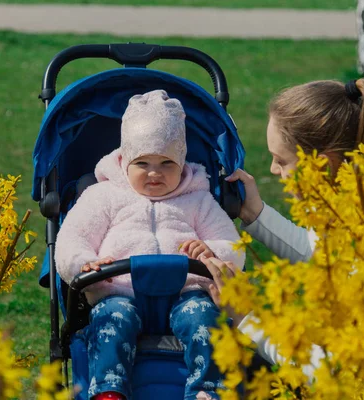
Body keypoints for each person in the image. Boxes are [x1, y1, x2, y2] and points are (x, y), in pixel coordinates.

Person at [200, 78, 364, 376]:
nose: (272, 169)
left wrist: (246, 317)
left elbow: (330, 371)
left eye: (281, 160)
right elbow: (325, 257)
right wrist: (255, 214)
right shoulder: (355, 179)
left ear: (319, 166)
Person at [55, 89, 245, 400]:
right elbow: (73, 237)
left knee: (205, 319)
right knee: (111, 321)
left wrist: (213, 252)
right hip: (120, 290)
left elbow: (233, 248)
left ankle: (207, 392)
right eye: (142, 162)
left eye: (167, 163)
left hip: (186, 292)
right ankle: (108, 390)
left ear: (182, 163)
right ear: (124, 161)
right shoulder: (102, 197)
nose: (154, 173)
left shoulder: (198, 200)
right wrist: (84, 262)